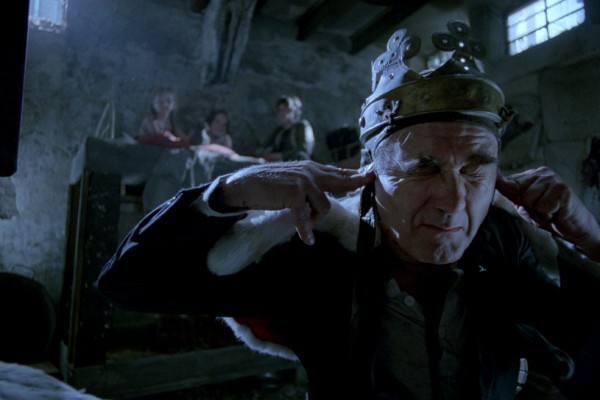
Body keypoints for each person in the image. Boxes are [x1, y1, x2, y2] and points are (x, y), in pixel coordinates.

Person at [96, 21, 600, 399]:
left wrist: (591, 240)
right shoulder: (314, 250)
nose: (453, 199)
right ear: (370, 171)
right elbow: (127, 282)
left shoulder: (502, 243)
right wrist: (232, 190)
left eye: (476, 167)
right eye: (423, 167)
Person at [258, 95, 315, 161]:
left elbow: (304, 148)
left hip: (297, 164)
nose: (282, 113)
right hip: (280, 164)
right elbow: (264, 146)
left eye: (286, 110)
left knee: (300, 156)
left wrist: (281, 155)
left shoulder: (302, 126)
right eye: (279, 110)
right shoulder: (279, 131)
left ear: (295, 112)